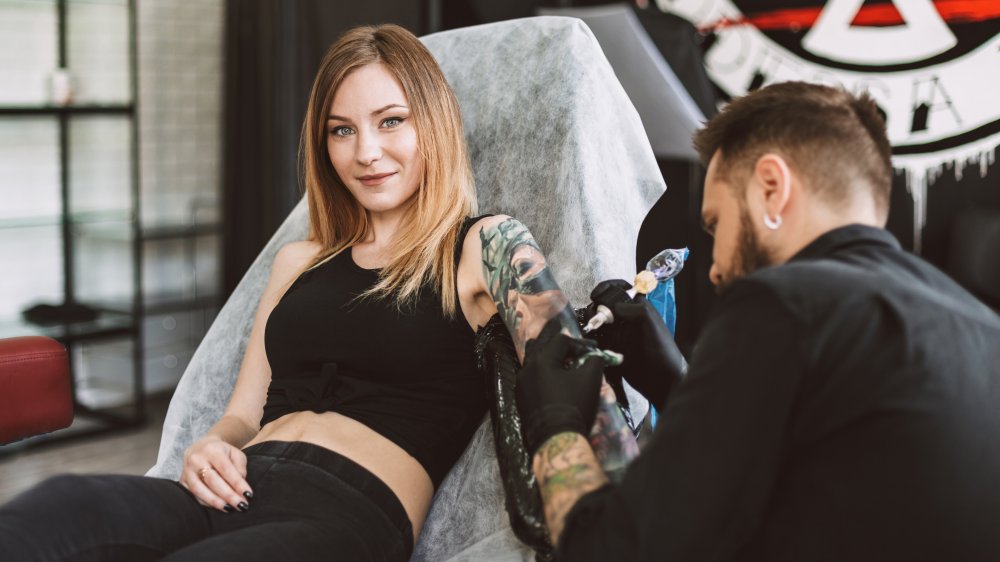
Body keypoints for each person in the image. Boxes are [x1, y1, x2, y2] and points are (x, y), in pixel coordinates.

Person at [0, 24, 582, 562]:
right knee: (52, 511)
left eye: (391, 121)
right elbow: (242, 414)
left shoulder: (482, 247)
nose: (366, 152)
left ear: (433, 122)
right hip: (233, 486)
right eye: (342, 130)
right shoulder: (298, 262)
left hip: (346, 513)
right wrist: (211, 446)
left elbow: (564, 362)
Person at [515, 81, 1000, 561]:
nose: (714, 267)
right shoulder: (980, 330)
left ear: (771, 188)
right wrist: (677, 386)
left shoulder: (785, 304)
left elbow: (613, 553)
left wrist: (554, 420)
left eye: (716, 224)